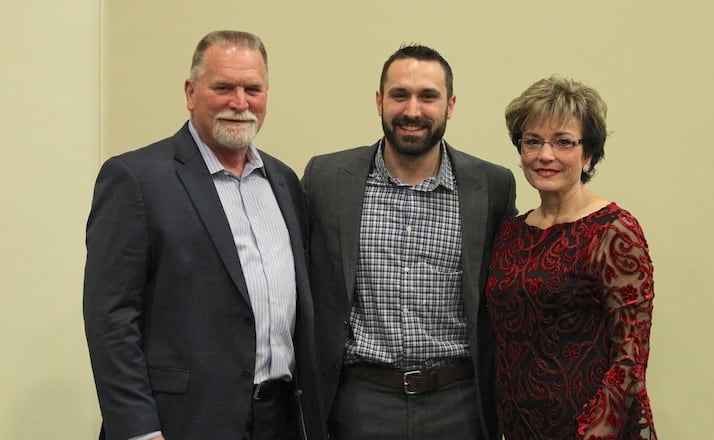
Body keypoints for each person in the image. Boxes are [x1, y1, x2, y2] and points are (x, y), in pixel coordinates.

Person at [83, 30, 326, 440]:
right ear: (191, 91)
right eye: (223, 87)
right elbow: (111, 319)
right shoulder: (136, 179)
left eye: (253, 88)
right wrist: (139, 431)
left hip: (281, 418)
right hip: (183, 421)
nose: (239, 102)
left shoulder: (283, 181)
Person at [301, 44, 517, 440]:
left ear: (450, 104)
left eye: (428, 96)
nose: (413, 110)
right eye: (400, 95)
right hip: (359, 403)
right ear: (380, 101)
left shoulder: (492, 187)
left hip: (460, 405)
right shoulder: (326, 179)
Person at [486, 76, 657, 439]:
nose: (545, 155)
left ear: (589, 153)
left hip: (590, 430)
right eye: (533, 141)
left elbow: (630, 358)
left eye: (563, 142)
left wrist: (595, 431)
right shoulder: (510, 233)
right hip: (519, 428)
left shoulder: (614, 231)